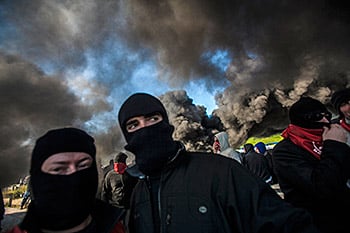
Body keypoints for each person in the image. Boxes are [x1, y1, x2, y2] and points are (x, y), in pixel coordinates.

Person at [118, 92, 320, 233]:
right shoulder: (139, 192)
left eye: (153, 119)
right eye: (133, 124)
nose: (145, 128)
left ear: (166, 124)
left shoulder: (220, 171)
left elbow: (287, 224)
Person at [6, 127, 125, 233]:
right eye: (58, 168)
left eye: (83, 165)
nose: (75, 176)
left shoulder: (117, 227)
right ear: (38, 177)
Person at [272, 96, 350, 233]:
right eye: (317, 116)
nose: (326, 121)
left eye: (327, 115)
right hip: (316, 224)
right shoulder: (285, 151)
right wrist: (333, 145)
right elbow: (322, 186)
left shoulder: (330, 137)